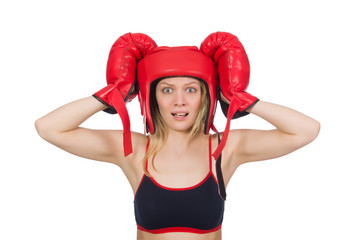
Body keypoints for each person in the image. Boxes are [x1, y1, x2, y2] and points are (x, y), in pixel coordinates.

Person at [35, 32, 320, 240]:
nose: (179, 101)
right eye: (167, 89)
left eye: (191, 89)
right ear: (152, 97)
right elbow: (49, 128)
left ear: (206, 97)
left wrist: (240, 97)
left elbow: (306, 130)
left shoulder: (225, 148)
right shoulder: (133, 149)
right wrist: (113, 92)